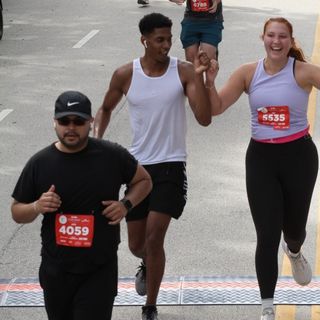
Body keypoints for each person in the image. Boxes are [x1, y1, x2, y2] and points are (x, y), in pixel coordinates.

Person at [93, 12, 212, 320]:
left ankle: (150, 307)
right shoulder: (125, 74)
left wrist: (199, 76)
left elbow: (204, 118)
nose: (166, 45)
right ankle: (147, 264)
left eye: (170, 39)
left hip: (171, 166)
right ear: (143, 40)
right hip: (137, 170)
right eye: (160, 40)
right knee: (135, 245)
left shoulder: (183, 71)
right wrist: (94, 146)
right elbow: (105, 109)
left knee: (154, 237)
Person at [207, 17, 320, 320]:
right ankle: (267, 306)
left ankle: (294, 250)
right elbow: (216, 107)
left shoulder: (304, 72)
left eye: (282, 36)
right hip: (261, 160)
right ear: (263, 38)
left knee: (294, 230)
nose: (276, 41)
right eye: (271, 35)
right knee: (267, 235)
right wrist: (209, 80)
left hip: (299, 157)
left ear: (290, 40)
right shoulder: (248, 73)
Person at [11, 90, 152, 320]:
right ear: (54, 122)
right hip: (56, 271)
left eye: (78, 121)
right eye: (64, 121)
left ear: (90, 122)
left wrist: (126, 204)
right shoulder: (40, 163)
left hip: (99, 269)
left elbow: (144, 180)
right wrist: (37, 206)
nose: (71, 127)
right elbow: (17, 211)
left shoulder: (111, 156)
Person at [169, 0, 223, 64]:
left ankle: (213, 58)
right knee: (191, 63)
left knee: (208, 61)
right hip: (191, 20)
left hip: (212, 20)